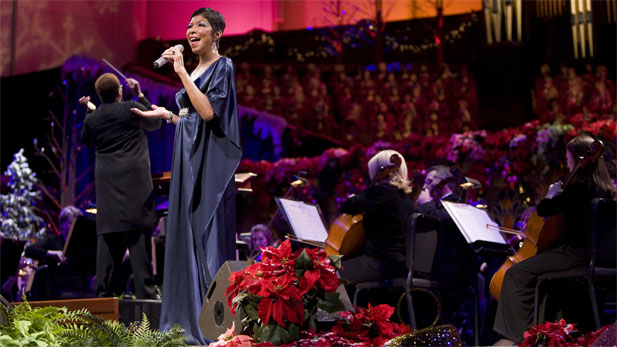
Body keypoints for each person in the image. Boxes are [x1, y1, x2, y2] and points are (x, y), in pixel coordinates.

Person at [131, 8, 241, 344]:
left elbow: (208, 113)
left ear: (217, 34)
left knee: (206, 240)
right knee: (186, 238)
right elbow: (191, 120)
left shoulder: (223, 66)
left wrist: (179, 70)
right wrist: (168, 115)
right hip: (188, 163)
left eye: (201, 26)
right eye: (189, 26)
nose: (192, 30)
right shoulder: (195, 70)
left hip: (208, 168)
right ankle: (184, 322)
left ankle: (215, 327)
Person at [493, 135, 616, 345]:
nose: (567, 164)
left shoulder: (577, 189)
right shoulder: (607, 191)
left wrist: (552, 193)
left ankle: (514, 338)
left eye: (567, 158)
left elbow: (544, 209)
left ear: (577, 159)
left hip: (575, 254)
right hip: (598, 257)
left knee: (516, 273)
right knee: (542, 276)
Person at [80, 73, 160, 300]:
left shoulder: (92, 119)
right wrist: (140, 95)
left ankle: (103, 307)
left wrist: (90, 111)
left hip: (108, 195)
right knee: (140, 254)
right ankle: (148, 309)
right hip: (136, 191)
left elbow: (86, 139)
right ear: (120, 91)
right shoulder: (130, 108)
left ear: (98, 94)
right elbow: (154, 122)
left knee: (108, 256)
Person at [338, 149, 414, 284]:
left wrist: (361, 193)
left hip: (381, 262)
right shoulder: (405, 198)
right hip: (400, 263)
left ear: (379, 172)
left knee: (327, 275)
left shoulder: (382, 193)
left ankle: (344, 306)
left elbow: (348, 206)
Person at [24, 206, 93, 300]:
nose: (73, 227)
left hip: (79, 287)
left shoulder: (81, 245)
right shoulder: (52, 240)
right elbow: (29, 250)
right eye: (70, 223)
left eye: (75, 224)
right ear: (62, 224)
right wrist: (50, 253)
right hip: (56, 288)